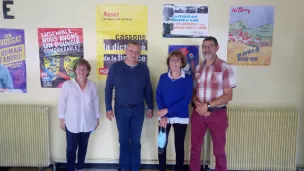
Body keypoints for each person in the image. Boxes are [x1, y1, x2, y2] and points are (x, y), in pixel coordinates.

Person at [105, 41, 154, 171]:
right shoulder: (115, 67)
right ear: (126, 52)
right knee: (123, 141)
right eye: (131, 51)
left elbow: (148, 89)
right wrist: (108, 108)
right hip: (121, 109)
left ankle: (135, 167)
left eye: (137, 52)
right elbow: (108, 88)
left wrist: (150, 107)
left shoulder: (144, 69)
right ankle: (124, 167)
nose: (134, 54)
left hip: (138, 109)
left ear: (140, 54)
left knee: (136, 141)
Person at [190, 36, 237, 171]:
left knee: (219, 151)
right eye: (204, 46)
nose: (206, 49)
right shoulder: (198, 68)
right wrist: (199, 106)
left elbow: (228, 96)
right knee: (194, 149)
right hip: (198, 113)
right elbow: (193, 92)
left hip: (217, 114)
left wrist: (208, 105)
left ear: (217, 48)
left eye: (210, 45)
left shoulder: (225, 67)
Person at [57, 58, 100, 171]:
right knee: (71, 149)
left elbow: (95, 102)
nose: (81, 71)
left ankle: (80, 168)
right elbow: (62, 102)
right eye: (79, 68)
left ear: (87, 71)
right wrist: (61, 119)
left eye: (84, 69)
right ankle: (71, 169)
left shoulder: (92, 86)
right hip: (72, 122)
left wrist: (97, 118)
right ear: (75, 70)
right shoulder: (67, 85)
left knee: (83, 147)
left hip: (88, 122)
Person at [156, 50, 193, 171]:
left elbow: (186, 100)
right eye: (172, 60)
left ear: (182, 63)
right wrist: (164, 116)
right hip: (164, 117)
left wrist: (166, 111)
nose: (174, 62)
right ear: (168, 62)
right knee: (162, 145)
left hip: (180, 117)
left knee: (179, 146)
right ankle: (162, 169)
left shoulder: (187, 79)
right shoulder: (163, 77)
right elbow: (159, 96)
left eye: (177, 60)